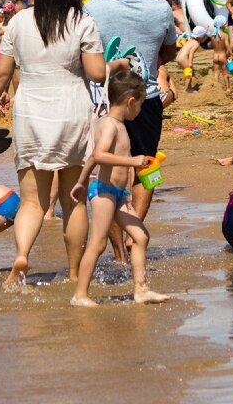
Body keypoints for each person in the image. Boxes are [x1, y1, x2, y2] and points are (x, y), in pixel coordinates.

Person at [0, 0, 105, 284]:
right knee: (73, 201)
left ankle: (22, 254)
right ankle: (76, 273)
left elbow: (0, 74)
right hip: (72, 109)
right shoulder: (82, 21)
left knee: (33, 201)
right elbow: (97, 73)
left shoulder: (19, 22)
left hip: (31, 111)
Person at [84, 0, 177, 223]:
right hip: (146, 98)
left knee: (109, 174)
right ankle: (135, 227)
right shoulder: (161, 9)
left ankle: (119, 250)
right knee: (147, 166)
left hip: (104, 98)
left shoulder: (93, 9)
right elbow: (169, 52)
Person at [70, 69, 169, 307]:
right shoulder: (110, 125)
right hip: (104, 191)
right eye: (140, 106)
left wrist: (80, 181)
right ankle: (79, 295)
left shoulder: (119, 124)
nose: (140, 111)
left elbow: (93, 159)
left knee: (140, 236)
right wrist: (133, 161)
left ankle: (141, 289)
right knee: (98, 243)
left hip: (118, 194)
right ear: (130, 101)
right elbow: (99, 154)